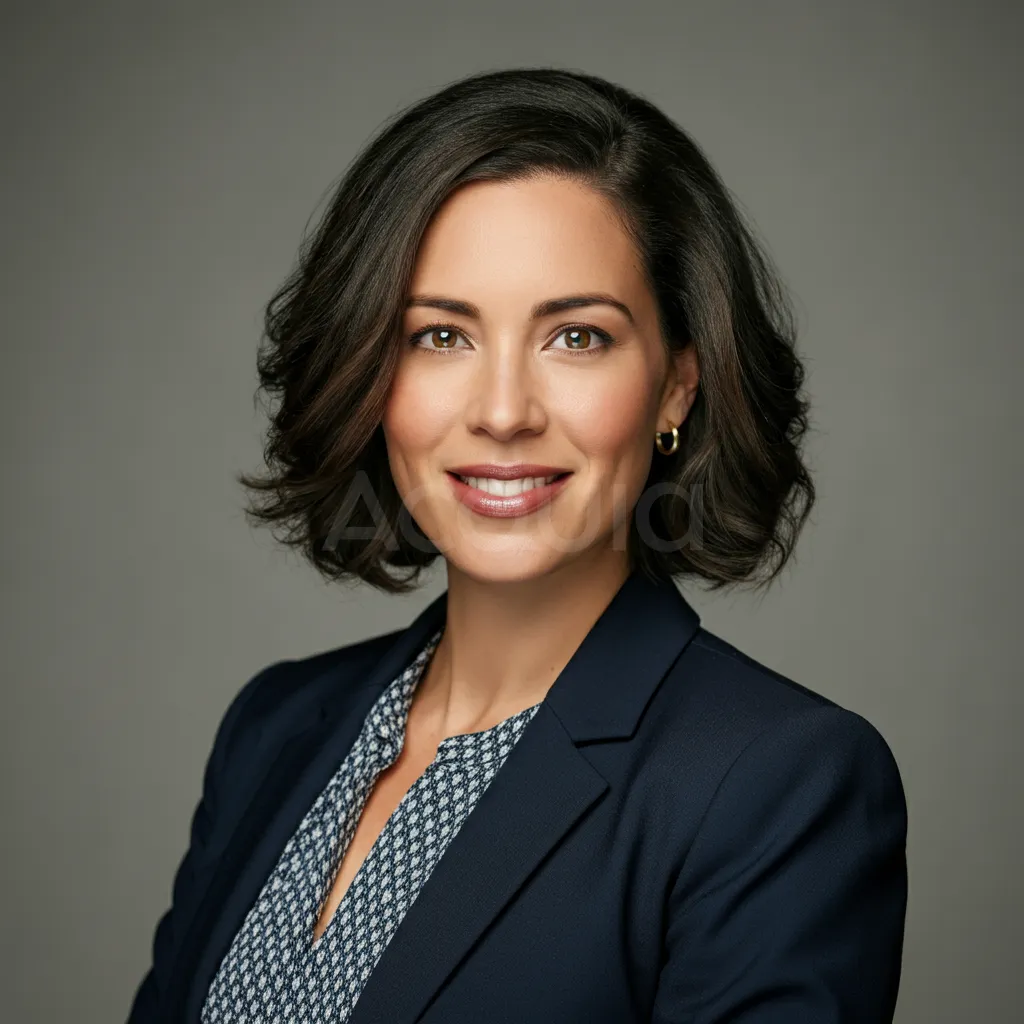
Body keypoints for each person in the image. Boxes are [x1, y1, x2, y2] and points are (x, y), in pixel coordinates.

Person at [127, 67, 908, 1023]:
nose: (502, 413)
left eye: (577, 337)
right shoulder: (275, 729)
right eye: (440, 337)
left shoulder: (776, 785)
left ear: (676, 385)